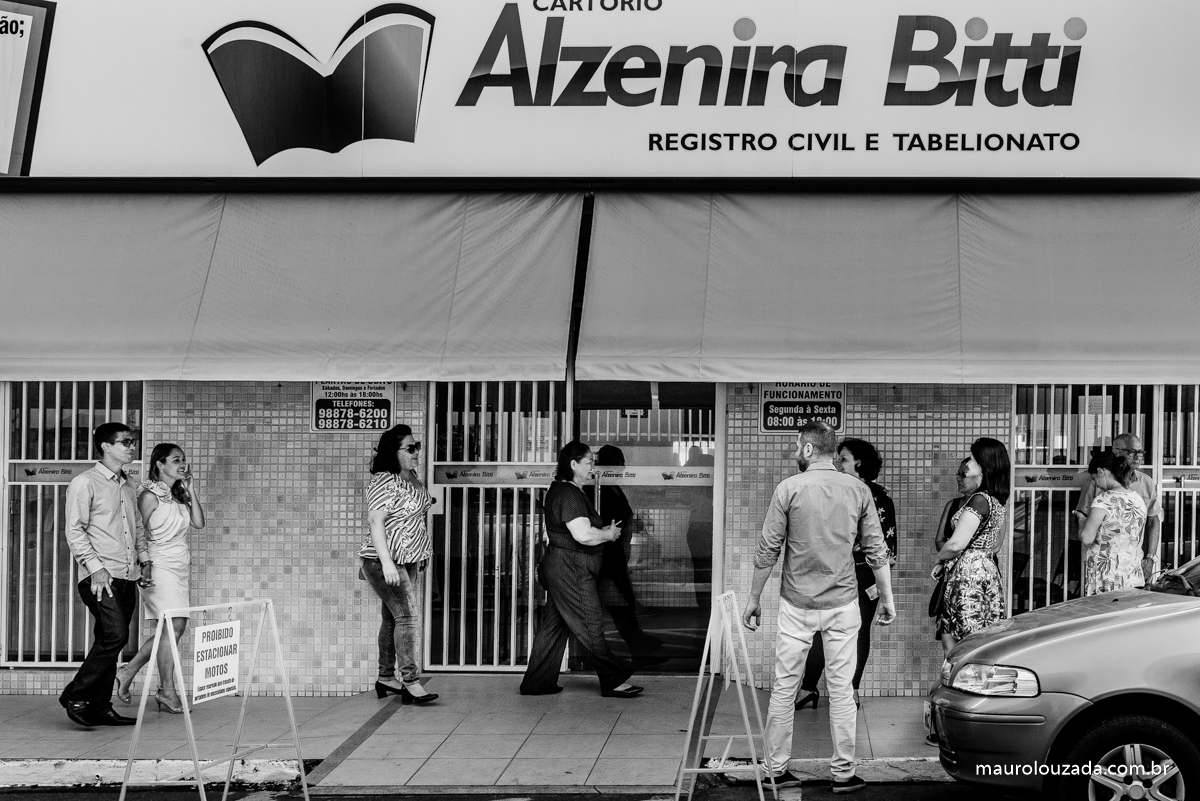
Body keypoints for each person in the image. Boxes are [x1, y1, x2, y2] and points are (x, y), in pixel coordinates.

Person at [738, 422, 895, 794]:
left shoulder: (788, 489)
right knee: (841, 692)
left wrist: (753, 598)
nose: (796, 452)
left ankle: (776, 769)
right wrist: (887, 599)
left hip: (797, 603)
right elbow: (877, 551)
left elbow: (768, 550)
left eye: (797, 446)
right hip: (843, 603)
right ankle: (843, 774)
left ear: (808, 450)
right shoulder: (858, 490)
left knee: (784, 687)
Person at [520, 441, 642, 698]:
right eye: (589, 462)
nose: (592, 468)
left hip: (565, 568)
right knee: (590, 622)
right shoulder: (568, 494)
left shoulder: (567, 492)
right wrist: (608, 534)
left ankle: (537, 682)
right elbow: (584, 535)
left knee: (554, 626)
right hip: (571, 570)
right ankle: (613, 678)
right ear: (573, 464)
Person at [795, 438, 896, 711]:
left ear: (859, 463)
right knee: (825, 627)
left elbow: (885, 547)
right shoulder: (836, 490)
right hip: (838, 571)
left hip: (860, 573)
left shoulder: (876, 496)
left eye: (843, 459)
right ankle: (816, 687)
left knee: (855, 630)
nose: (837, 463)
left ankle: (845, 689)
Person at [58, 423, 147, 727]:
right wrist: (96, 569)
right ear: (106, 447)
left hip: (127, 574)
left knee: (111, 639)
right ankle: (75, 694)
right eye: (125, 442)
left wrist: (143, 561)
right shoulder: (86, 482)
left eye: (133, 442)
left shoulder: (128, 484)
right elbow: (74, 529)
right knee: (115, 635)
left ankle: (99, 705)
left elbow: (136, 527)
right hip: (100, 576)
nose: (131, 447)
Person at [114, 443, 206, 714]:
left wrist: (190, 490)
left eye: (184, 460)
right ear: (159, 465)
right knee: (174, 626)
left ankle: (130, 672)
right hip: (158, 566)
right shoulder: (149, 495)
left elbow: (199, 523)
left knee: (172, 629)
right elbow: (135, 532)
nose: (182, 464)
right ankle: (166, 690)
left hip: (179, 568)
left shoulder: (178, 496)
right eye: (176, 460)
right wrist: (144, 566)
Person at [359, 425, 438, 705]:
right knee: (407, 616)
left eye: (417, 446)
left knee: (392, 618)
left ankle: (384, 677)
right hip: (386, 561)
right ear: (394, 452)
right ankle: (411, 681)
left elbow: (412, 519)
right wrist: (387, 563)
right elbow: (375, 521)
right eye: (411, 448)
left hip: (409, 558)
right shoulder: (385, 481)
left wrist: (422, 550)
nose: (417, 452)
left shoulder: (411, 476)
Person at [585, 445, 665, 662]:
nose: (622, 468)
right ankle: (636, 649)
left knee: (618, 604)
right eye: (619, 464)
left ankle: (639, 648)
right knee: (618, 602)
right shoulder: (596, 489)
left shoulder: (612, 487)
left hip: (615, 555)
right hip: (605, 556)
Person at [934, 437, 1010, 654]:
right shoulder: (996, 500)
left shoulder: (979, 500)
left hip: (969, 574)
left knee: (963, 635)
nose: (968, 464)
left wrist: (940, 558)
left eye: (974, 459)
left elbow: (956, 543)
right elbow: (995, 546)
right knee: (979, 635)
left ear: (984, 467)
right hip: (986, 570)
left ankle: (960, 682)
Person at [1073, 433, 1162, 582]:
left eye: (1140, 452)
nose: (1138, 457)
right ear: (1116, 453)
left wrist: (1150, 557)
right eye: (1132, 452)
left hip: (1122, 567)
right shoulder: (1095, 482)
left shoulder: (1146, 483)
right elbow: (1086, 517)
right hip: (1114, 568)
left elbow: (1154, 521)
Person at [1080, 450, 1148, 595]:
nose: (1095, 484)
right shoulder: (1137, 499)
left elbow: (1087, 538)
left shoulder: (1103, 500)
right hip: (1132, 577)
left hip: (1106, 579)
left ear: (1100, 472)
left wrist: (1081, 520)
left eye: (1093, 478)